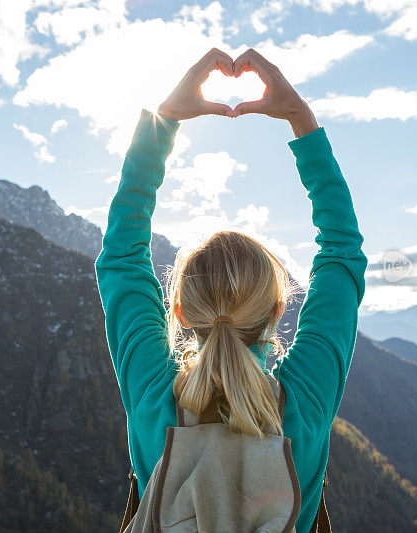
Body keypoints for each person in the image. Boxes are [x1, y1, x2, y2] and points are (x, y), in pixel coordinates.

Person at [95, 47, 367, 531]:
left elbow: (120, 258)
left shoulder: (155, 399)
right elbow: (342, 254)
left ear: (177, 310)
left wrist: (164, 121)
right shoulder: (302, 404)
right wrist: (300, 120)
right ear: (278, 309)